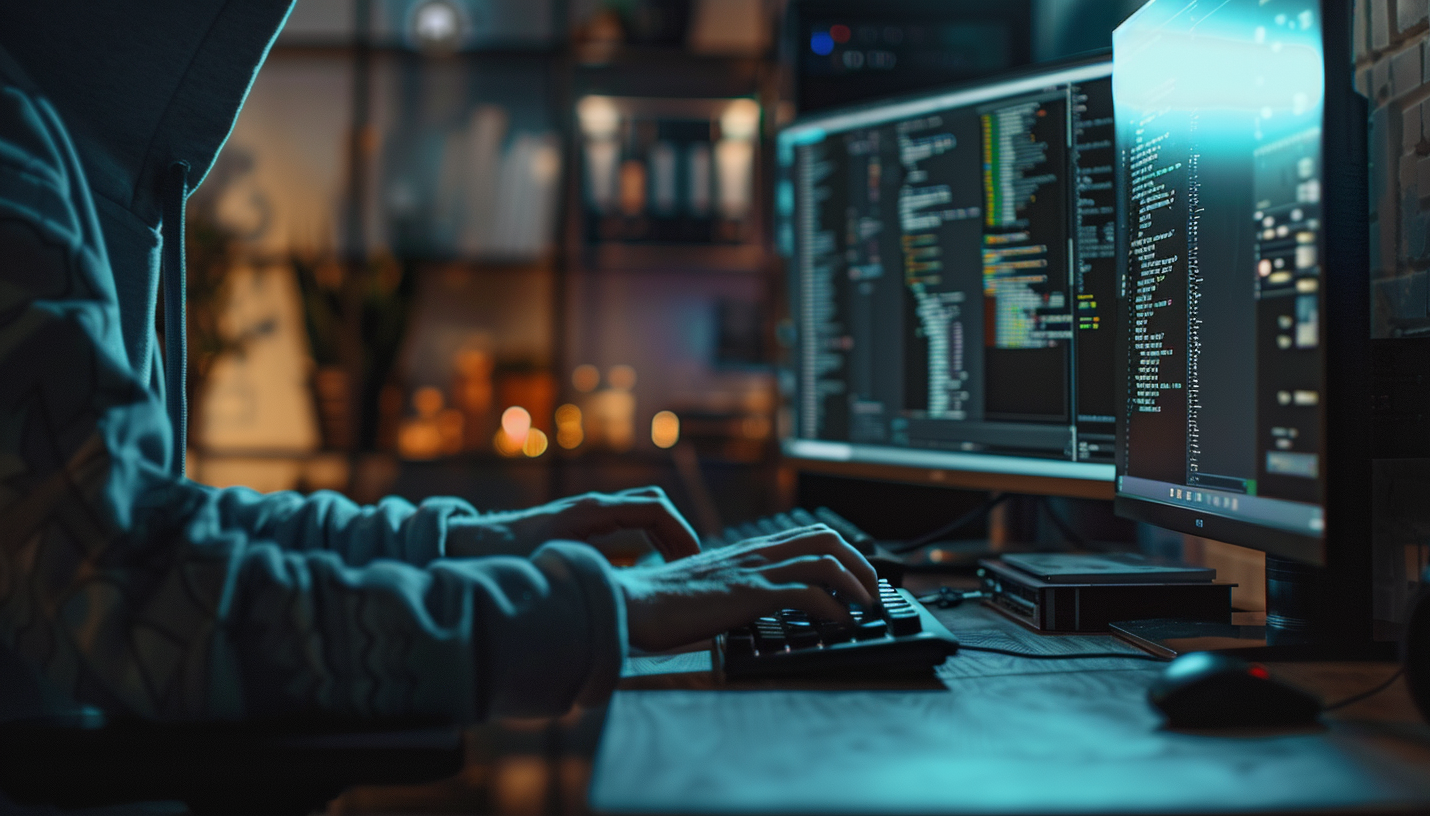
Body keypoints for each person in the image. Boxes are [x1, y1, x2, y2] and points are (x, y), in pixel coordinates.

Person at [0, 1, 876, 724]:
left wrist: (471, 543)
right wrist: (608, 610)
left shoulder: (55, 137)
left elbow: (138, 523)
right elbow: (128, 595)